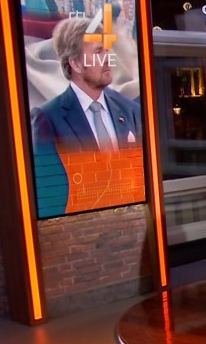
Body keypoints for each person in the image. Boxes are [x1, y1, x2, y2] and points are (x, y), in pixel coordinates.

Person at [30, 17, 143, 218]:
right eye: (98, 52)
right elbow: (49, 198)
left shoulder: (130, 110)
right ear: (75, 64)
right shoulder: (47, 119)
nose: (107, 58)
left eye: (106, 50)